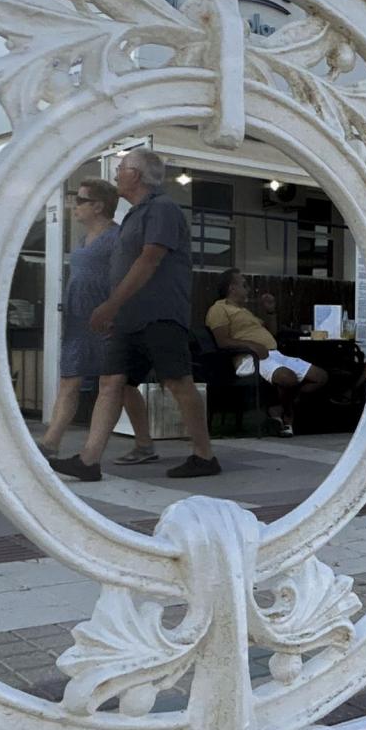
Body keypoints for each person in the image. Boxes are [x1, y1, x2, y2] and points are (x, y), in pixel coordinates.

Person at [51, 148, 217, 481]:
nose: (115, 175)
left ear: (136, 175)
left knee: (177, 382)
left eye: (121, 169)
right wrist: (117, 309)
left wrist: (110, 304)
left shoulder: (162, 209)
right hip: (129, 318)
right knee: (111, 382)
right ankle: (89, 461)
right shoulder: (135, 214)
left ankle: (204, 455)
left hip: (159, 314)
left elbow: (149, 259)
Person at [36, 178, 155, 464]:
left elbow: (129, 278)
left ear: (98, 206)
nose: (74, 206)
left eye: (80, 200)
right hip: (78, 322)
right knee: (70, 380)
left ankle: (144, 444)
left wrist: (118, 312)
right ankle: (50, 442)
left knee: (120, 386)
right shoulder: (81, 240)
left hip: (107, 321)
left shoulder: (117, 239)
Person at [207, 268, 328, 436]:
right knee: (287, 378)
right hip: (249, 358)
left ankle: (280, 408)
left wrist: (270, 311)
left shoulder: (244, 311)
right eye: (244, 285)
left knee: (320, 377)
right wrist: (250, 345)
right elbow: (222, 341)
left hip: (272, 354)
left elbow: (272, 332)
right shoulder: (219, 309)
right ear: (232, 288)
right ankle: (287, 416)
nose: (248, 289)